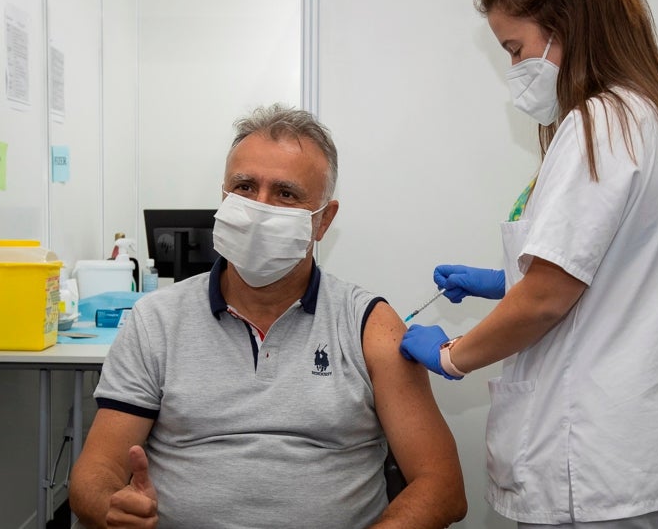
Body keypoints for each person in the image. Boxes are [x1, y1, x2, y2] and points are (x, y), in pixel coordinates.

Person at [398, 0, 658, 528]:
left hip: (587, 459)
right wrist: (503, 281)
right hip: (630, 447)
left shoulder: (601, 123)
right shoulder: (650, 117)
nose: (515, 69)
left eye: (516, 48)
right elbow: (611, 270)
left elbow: (548, 299)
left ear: (565, 24)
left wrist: (453, 353)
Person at [70, 104, 466, 529]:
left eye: (286, 194)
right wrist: (114, 507)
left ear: (324, 220)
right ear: (223, 198)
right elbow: (95, 473)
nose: (259, 208)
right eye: (244, 187)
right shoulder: (156, 320)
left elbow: (441, 487)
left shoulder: (371, 324)